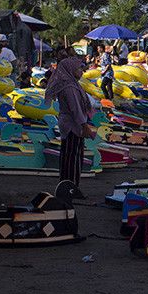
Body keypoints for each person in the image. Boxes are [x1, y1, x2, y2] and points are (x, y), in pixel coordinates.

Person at [44, 51, 95, 197]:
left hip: (70, 124)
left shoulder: (71, 84)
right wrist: (84, 124)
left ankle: (67, 186)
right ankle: (71, 188)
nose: (81, 71)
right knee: (73, 157)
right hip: (73, 125)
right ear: (71, 70)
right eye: (79, 69)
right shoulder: (70, 87)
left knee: (69, 156)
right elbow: (75, 108)